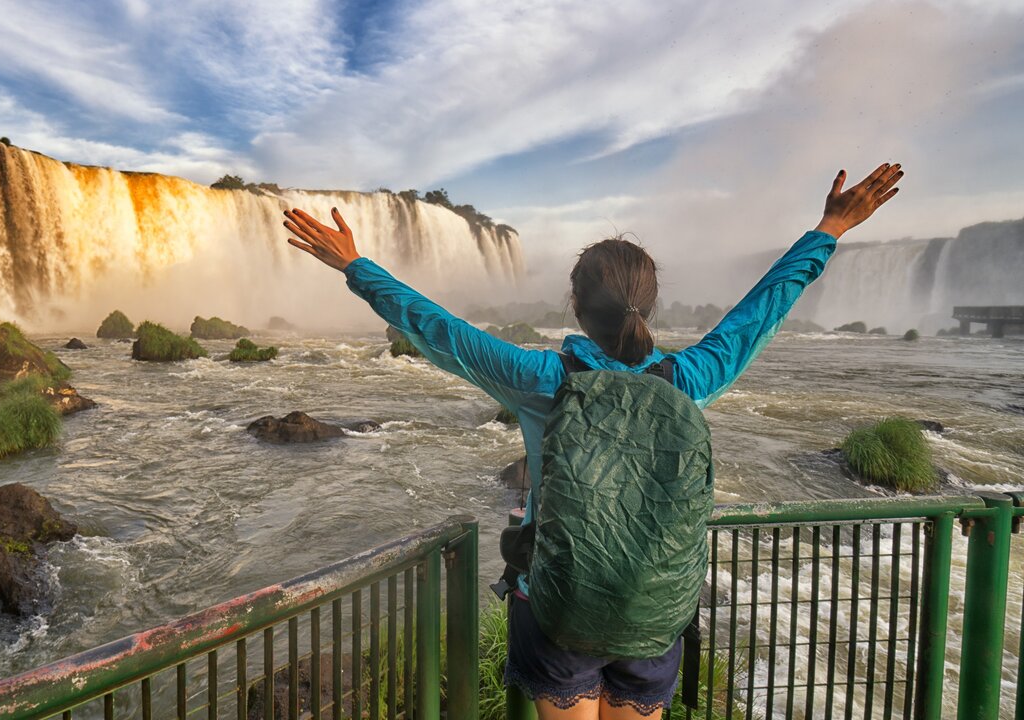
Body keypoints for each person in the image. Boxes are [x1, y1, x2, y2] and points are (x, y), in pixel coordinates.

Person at [282, 163, 904, 719]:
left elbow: (439, 330)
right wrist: (827, 230)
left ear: (575, 304)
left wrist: (355, 267)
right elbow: (756, 315)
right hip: (652, 608)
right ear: (650, 308)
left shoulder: (543, 379)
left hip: (560, 605)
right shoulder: (687, 379)